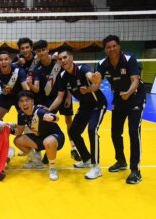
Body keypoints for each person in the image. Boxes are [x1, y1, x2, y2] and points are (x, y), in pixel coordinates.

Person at [96, 35, 146, 184]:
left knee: (133, 130)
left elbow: (135, 80)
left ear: (119, 46)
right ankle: (121, 160)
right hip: (119, 98)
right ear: (105, 49)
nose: (112, 49)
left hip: (135, 97)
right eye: (108, 47)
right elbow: (97, 81)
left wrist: (128, 93)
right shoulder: (102, 63)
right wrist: (92, 82)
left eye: (114, 46)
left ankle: (136, 170)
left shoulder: (129, 58)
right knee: (115, 132)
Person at [57, 50, 107, 180]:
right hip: (85, 107)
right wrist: (48, 109)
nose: (63, 60)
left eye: (65, 57)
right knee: (73, 132)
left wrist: (93, 79)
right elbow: (59, 97)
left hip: (98, 105)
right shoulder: (63, 76)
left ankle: (96, 167)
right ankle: (87, 159)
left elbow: (90, 76)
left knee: (92, 130)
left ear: (71, 58)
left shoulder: (82, 68)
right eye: (60, 59)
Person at [31, 40, 80, 162]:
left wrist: (69, 96)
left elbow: (66, 79)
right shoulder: (37, 68)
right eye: (38, 51)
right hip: (47, 99)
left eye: (43, 50)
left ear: (48, 49)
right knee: (48, 122)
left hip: (62, 96)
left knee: (69, 121)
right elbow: (36, 88)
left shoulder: (58, 63)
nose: (41, 53)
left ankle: (74, 148)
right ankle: (48, 150)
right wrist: (30, 85)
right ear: (36, 53)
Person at [13, 90, 64, 181]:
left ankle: (52, 168)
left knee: (48, 141)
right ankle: (36, 162)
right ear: (18, 104)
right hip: (40, 138)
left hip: (55, 138)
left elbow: (56, 117)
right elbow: (19, 131)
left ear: (32, 102)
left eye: (27, 100)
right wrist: (7, 129)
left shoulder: (39, 111)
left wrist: (52, 118)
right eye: (21, 101)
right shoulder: (21, 114)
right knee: (17, 140)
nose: (24, 103)